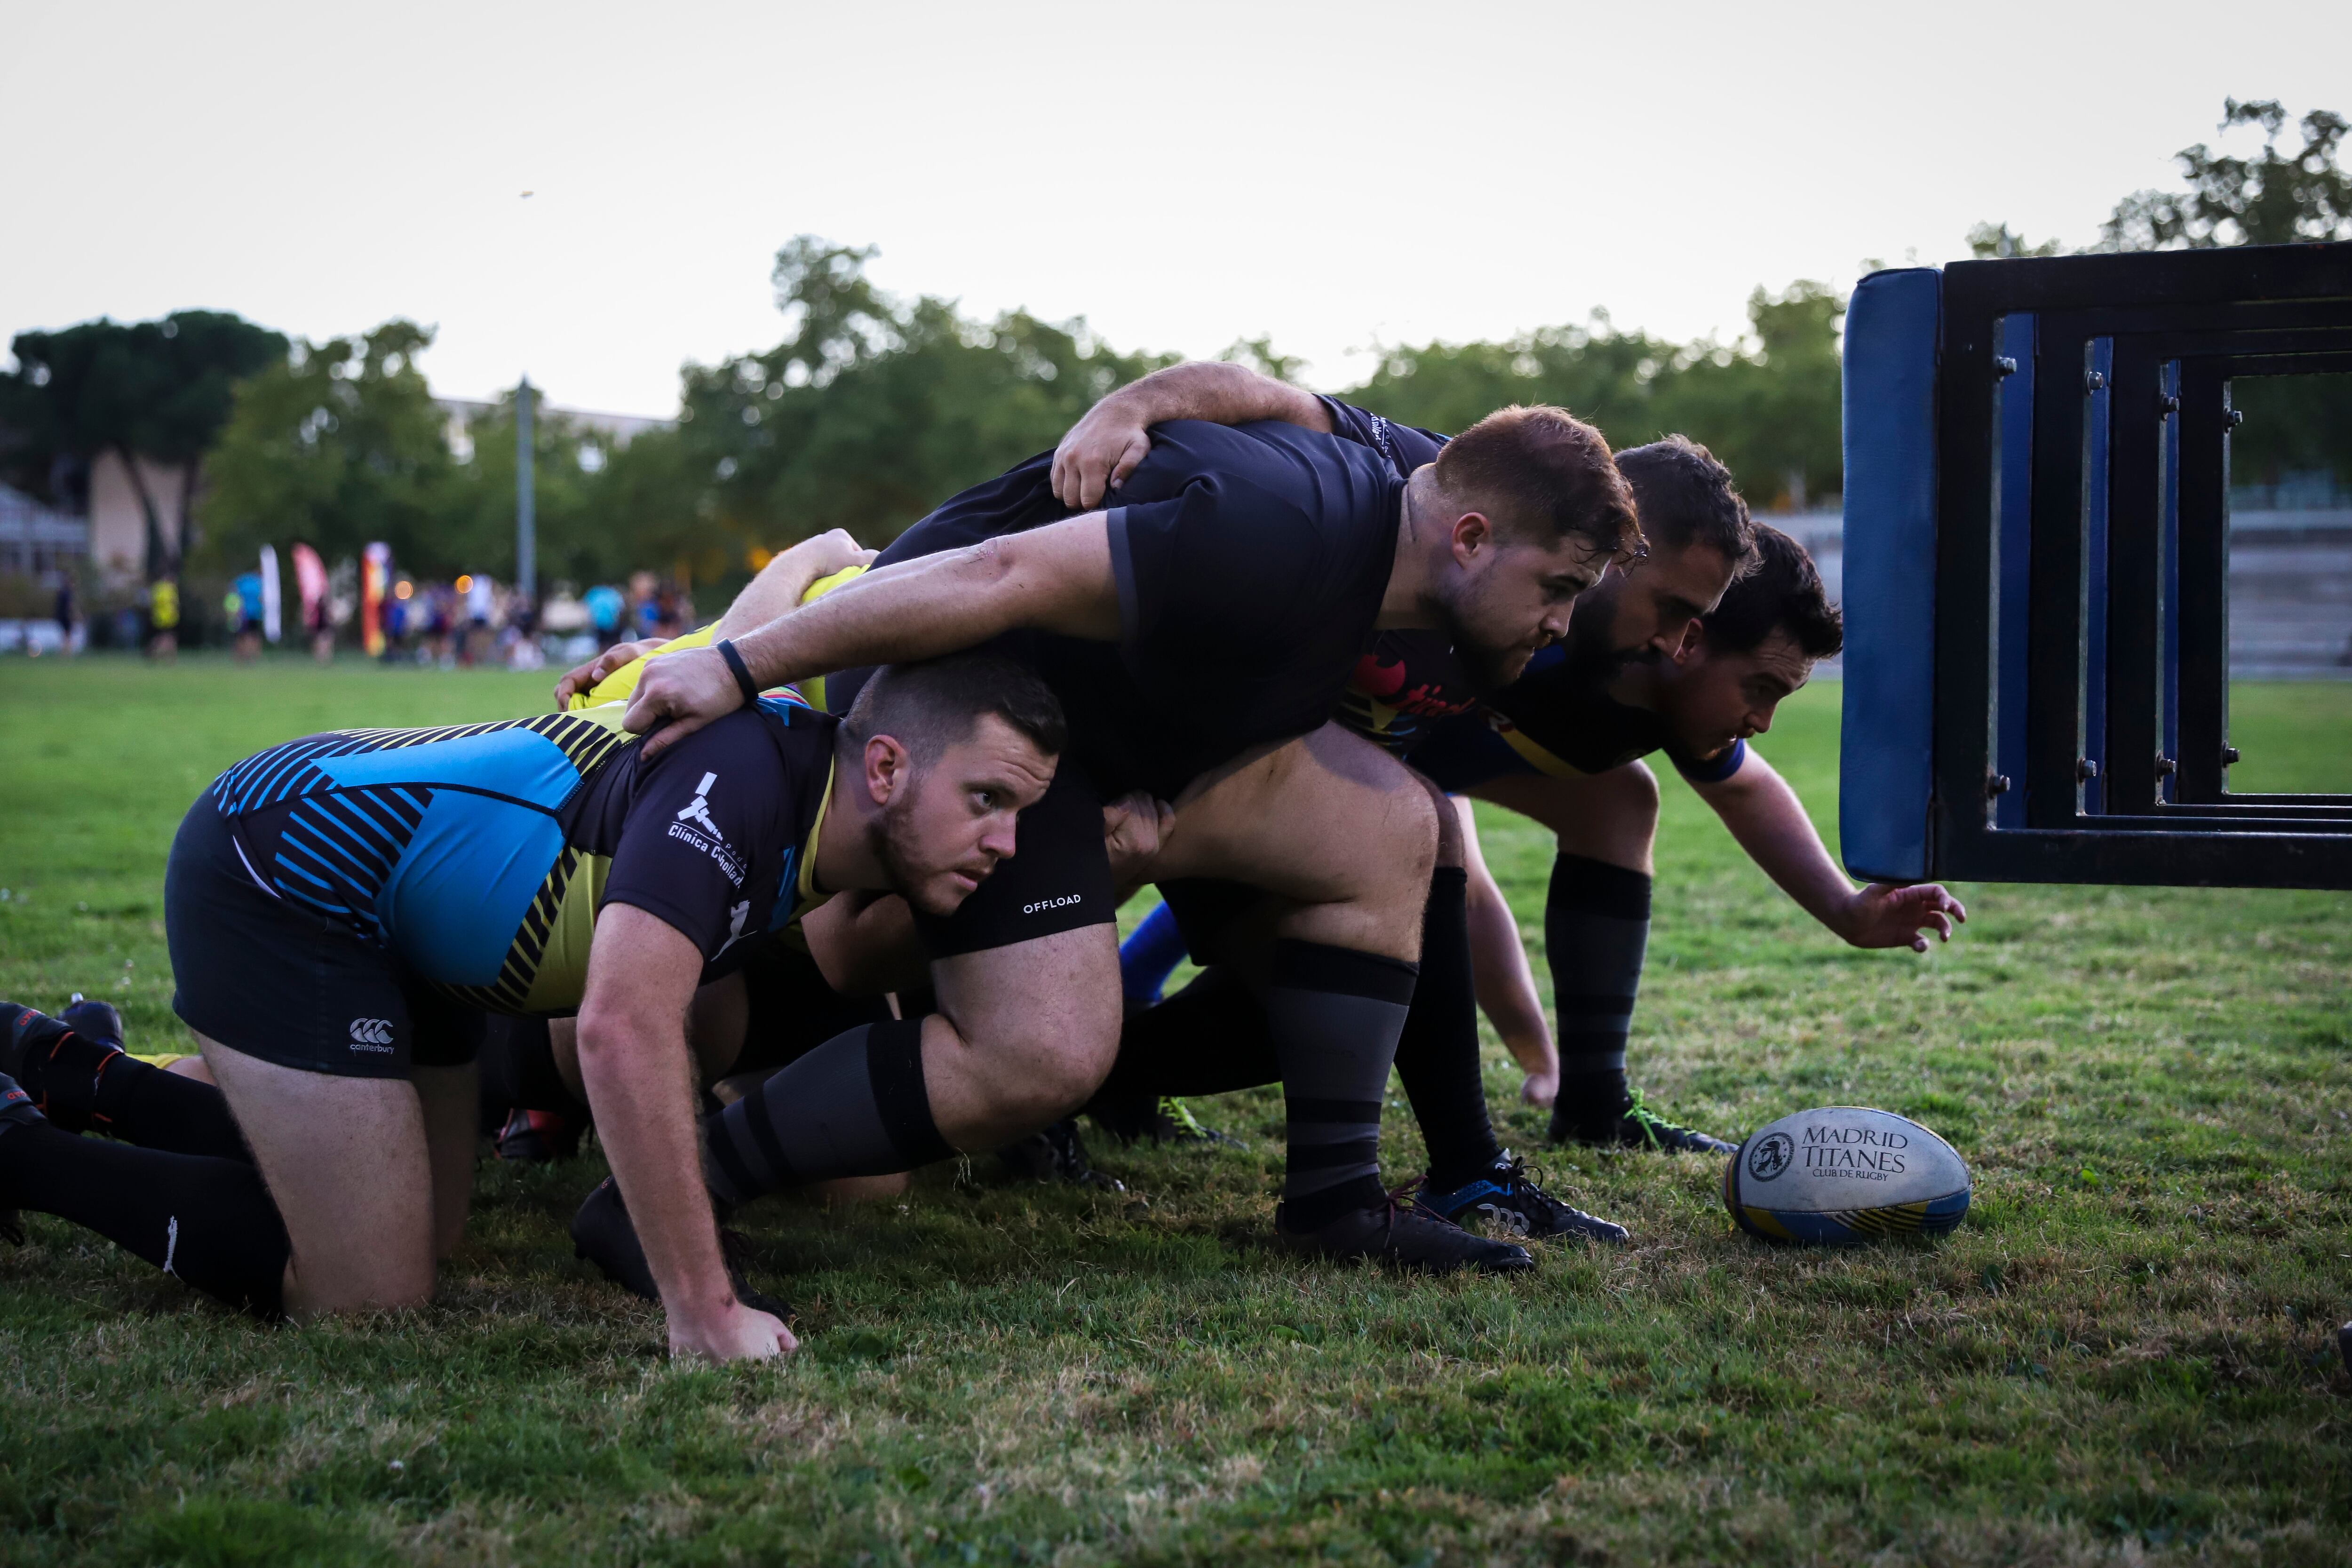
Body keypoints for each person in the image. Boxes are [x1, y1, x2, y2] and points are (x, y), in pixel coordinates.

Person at [591, 399, 1639, 1274]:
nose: (1558, 624)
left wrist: (1174, 801)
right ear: (1469, 540)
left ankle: (1336, 1201)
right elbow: (995, 575)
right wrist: (734, 667)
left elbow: (1249, 385)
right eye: (1555, 589)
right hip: (976, 688)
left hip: (1112, 728)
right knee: (1046, 1052)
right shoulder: (1281, 530)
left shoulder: (1426, 504)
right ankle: (665, 1192)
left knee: (1397, 826)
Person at [0, 651, 1067, 1362]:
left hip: (418, 939)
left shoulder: (818, 802)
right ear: (883, 765)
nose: (1007, 842)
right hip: (287, 864)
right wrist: (701, 1308)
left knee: (431, 1225)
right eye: (989, 800)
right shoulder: (742, 780)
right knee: (370, 1292)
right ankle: (18, 1145)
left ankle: (66, 1066)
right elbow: (619, 1023)